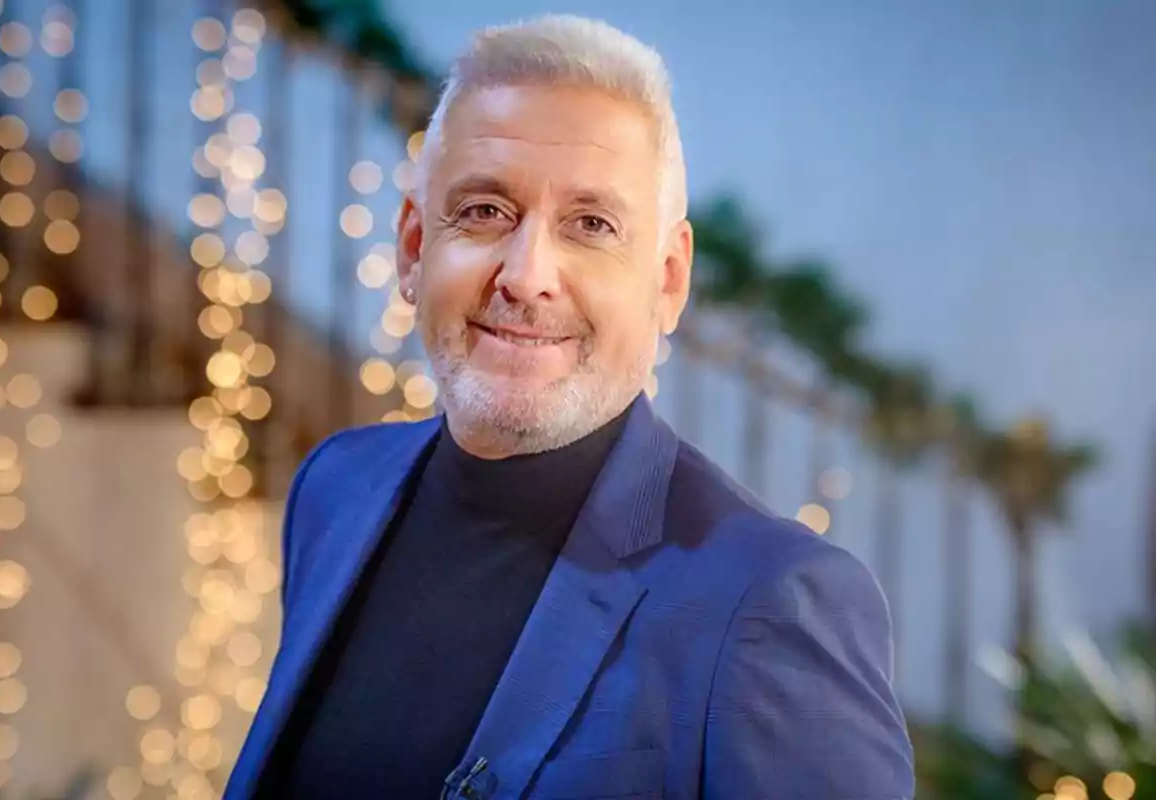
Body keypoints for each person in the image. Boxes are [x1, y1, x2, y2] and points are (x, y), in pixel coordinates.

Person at [225, 14, 914, 800]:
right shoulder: (334, 489)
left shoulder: (772, 599)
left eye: (591, 225)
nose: (527, 275)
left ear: (668, 280)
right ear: (415, 247)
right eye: (485, 212)